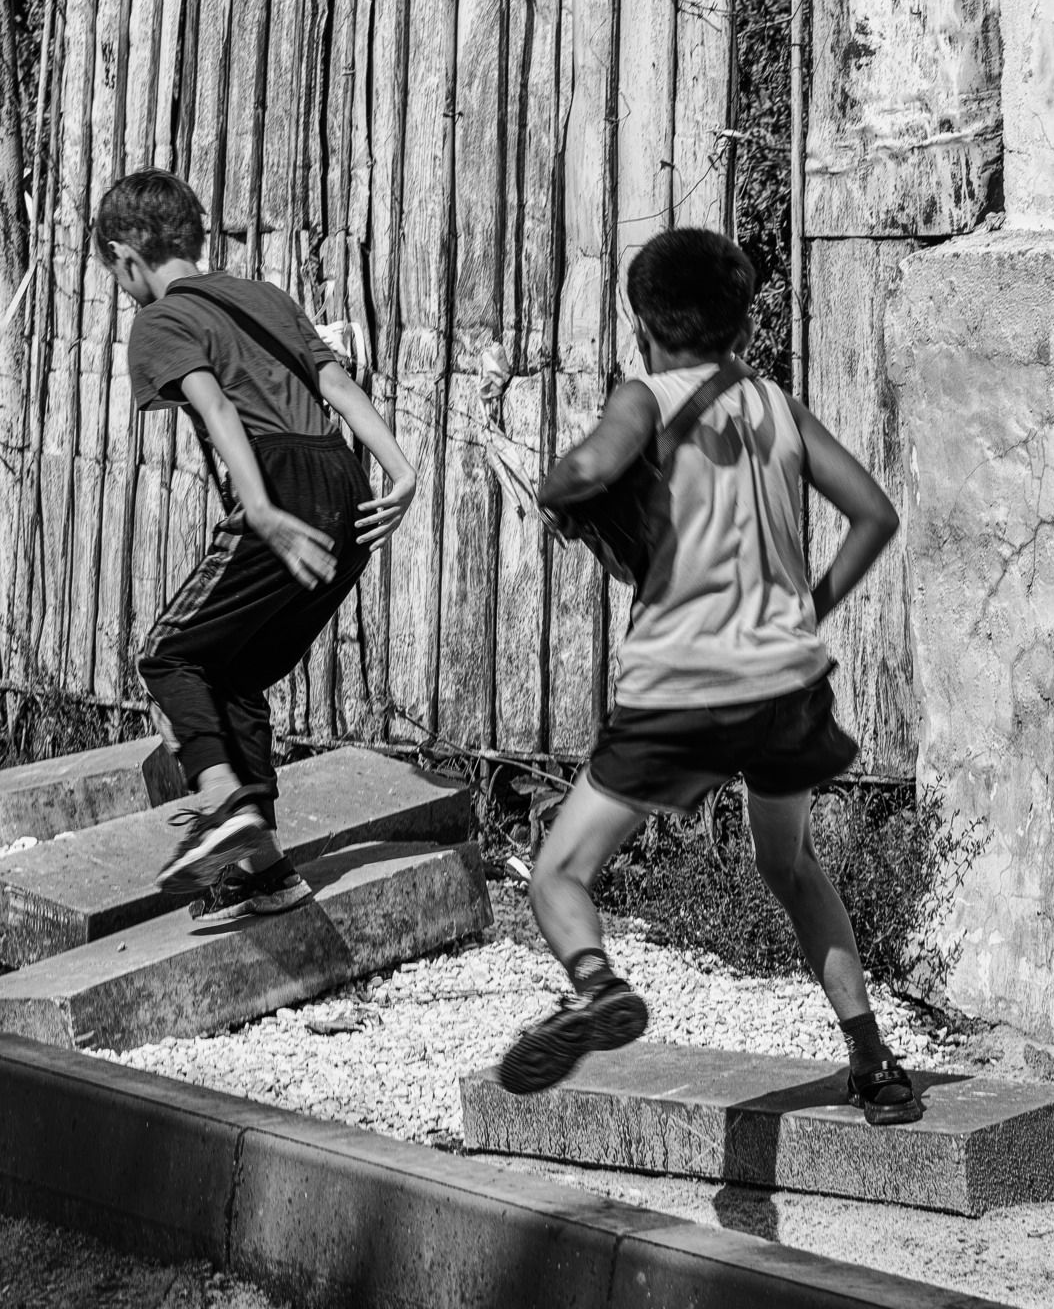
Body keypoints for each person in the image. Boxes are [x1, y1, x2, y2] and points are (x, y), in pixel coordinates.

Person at [497, 225, 921, 1126]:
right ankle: (873, 1061)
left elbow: (588, 468)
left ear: (640, 325)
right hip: (785, 685)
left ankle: (596, 986)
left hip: (682, 690)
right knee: (790, 863)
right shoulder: (777, 405)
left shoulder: (643, 398)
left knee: (558, 874)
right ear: (745, 324)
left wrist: (560, 490)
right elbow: (876, 516)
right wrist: (806, 610)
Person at [94, 169, 418, 922]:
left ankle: (223, 804)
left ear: (125, 259)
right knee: (230, 675)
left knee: (168, 656)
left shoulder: (161, 319)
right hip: (345, 482)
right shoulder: (264, 296)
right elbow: (337, 386)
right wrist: (401, 469)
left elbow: (213, 405)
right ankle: (266, 872)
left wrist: (263, 509)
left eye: (116, 275)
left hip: (282, 482)